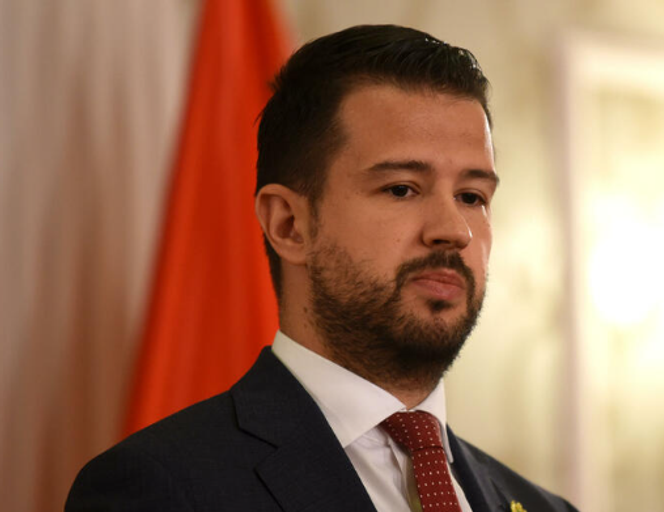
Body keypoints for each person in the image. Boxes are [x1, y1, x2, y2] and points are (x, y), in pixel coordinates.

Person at [66, 25, 577, 512]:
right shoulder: (161, 488)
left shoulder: (544, 507)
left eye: (472, 196)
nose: (454, 230)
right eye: (401, 188)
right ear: (289, 225)